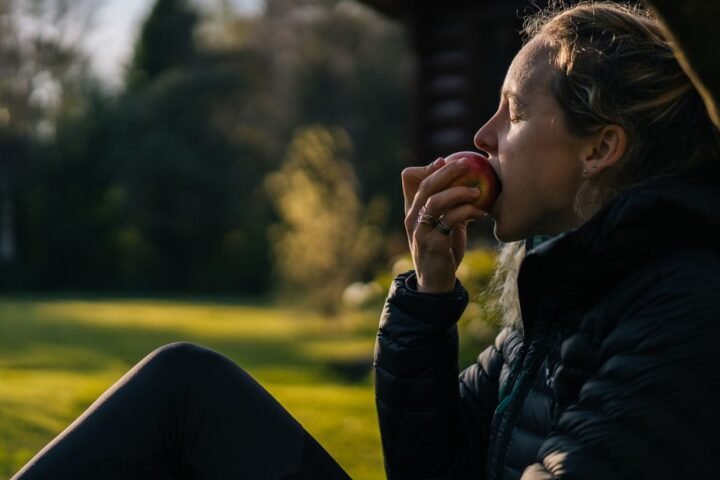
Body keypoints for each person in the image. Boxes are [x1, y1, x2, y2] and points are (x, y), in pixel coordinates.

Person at [374, 1, 720, 480]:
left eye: (513, 112)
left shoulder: (684, 305)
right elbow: (434, 469)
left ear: (599, 149)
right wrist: (427, 295)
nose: (482, 137)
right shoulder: (560, 299)